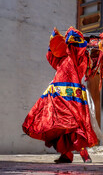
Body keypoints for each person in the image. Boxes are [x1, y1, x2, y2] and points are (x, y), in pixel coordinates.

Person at [22, 27, 98, 163]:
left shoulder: (79, 57)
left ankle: (84, 154)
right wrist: (55, 40)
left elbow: (77, 45)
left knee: (72, 123)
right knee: (58, 124)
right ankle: (66, 154)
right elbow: (52, 58)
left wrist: (69, 34)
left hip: (71, 95)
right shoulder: (64, 58)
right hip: (56, 94)